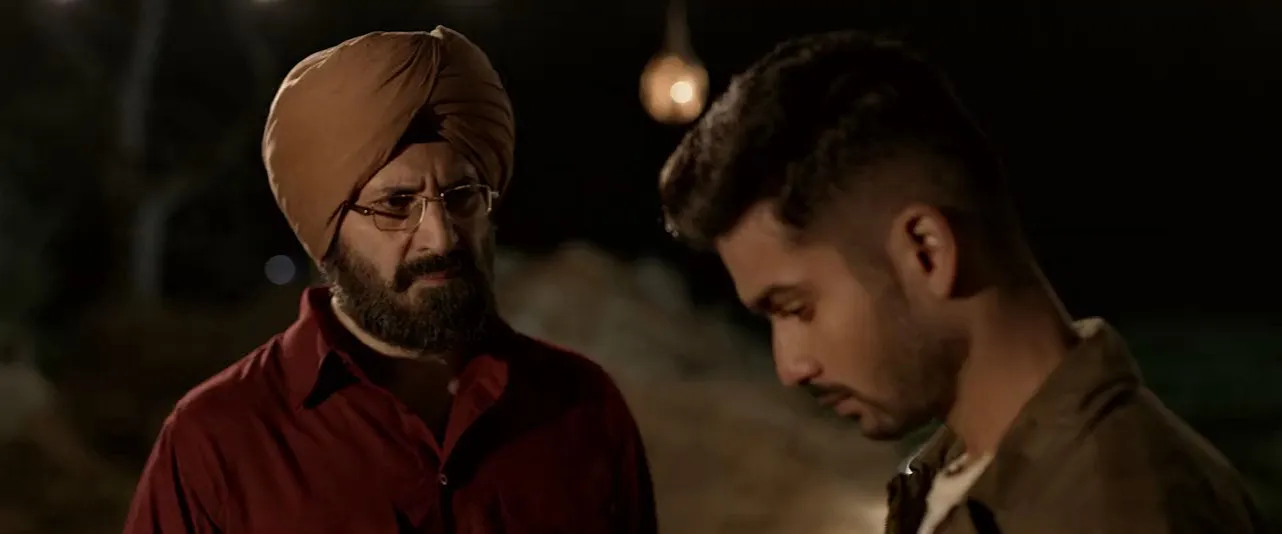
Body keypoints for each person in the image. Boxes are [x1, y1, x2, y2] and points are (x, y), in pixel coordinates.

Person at [657, 30, 1270, 534]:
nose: (790, 367)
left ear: (926, 251)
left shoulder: (1118, 510)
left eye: (796, 308)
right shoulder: (958, 476)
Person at [123, 27, 657, 534]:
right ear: (329, 231)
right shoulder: (216, 444)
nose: (441, 238)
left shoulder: (584, 408)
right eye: (396, 205)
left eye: (462, 197)